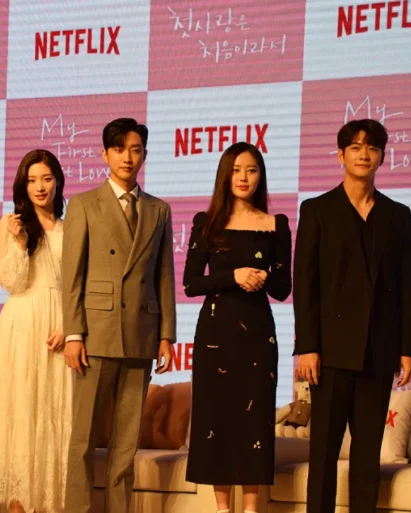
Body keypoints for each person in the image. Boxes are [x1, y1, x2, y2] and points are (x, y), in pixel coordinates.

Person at [293, 119, 411, 513]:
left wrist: (407, 348)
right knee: (324, 455)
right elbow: (305, 283)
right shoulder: (317, 210)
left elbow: (407, 285)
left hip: (378, 352)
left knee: (367, 457)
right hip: (329, 354)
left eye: (372, 148)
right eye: (356, 147)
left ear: (381, 156)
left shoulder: (397, 215)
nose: (364, 154)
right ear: (341, 155)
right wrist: (307, 346)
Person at [61, 117, 176, 513]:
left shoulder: (159, 210)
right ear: (104, 154)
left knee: (126, 445)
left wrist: (166, 335)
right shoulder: (83, 204)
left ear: (144, 154)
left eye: (136, 150)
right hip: (96, 333)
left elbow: (164, 276)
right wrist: (73, 334)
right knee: (82, 440)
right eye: (119, 149)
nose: (128, 157)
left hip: (141, 333)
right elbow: (72, 275)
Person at [183, 142, 292, 513]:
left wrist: (263, 276)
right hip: (216, 333)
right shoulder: (207, 223)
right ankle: (222, 508)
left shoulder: (276, 225)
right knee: (217, 418)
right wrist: (233, 276)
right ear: (224, 175)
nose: (244, 178)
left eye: (252, 170)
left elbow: (282, 288)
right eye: (236, 170)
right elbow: (191, 283)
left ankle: (251, 508)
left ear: (261, 176)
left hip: (258, 336)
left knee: (254, 421)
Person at [0, 149, 70, 512]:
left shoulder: (71, 228)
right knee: (20, 411)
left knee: (53, 411)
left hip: (60, 326)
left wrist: (70, 325)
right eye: (32, 180)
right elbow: (12, 281)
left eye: (46, 178)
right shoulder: (11, 224)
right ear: (22, 186)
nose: (40, 187)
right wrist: (21, 243)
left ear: (58, 181)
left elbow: (77, 285)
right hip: (21, 324)